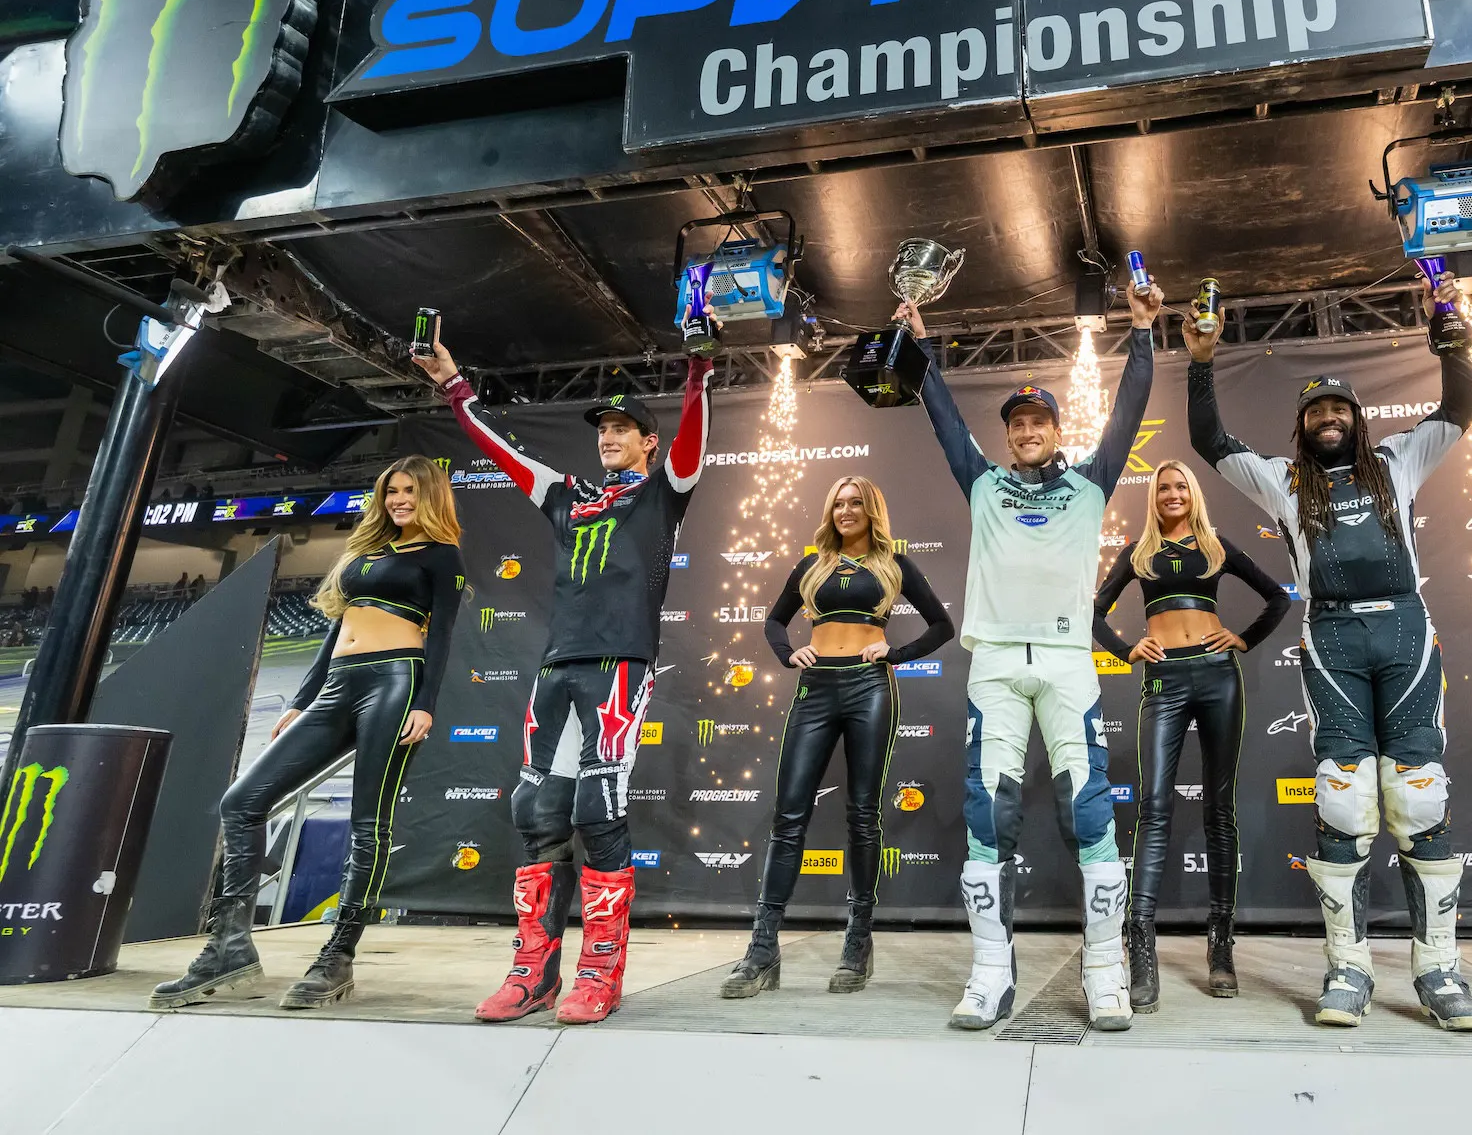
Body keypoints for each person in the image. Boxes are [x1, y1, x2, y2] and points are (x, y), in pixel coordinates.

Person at [1185, 275, 1472, 1032]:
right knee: (1345, 796)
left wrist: (1447, 331)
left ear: (1355, 417)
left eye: (1338, 408)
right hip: (1332, 635)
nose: (1327, 417)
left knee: (1419, 795)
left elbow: (1459, 408)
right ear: (1303, 423)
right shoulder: (1285, 482)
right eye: (1315, 409)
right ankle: (1348, 968)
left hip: (1406, 631)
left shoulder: (1397, 461)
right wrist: (1199, 361)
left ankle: (1438, 970)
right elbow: (1210, 443)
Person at [414, 337, 713, 1025]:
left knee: (598, 811)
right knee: (536, 814)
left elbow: (693, 442)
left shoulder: (665, 492)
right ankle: (532, 975)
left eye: (620, 428)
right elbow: (503, 452)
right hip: (557, 666)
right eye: (601, 429)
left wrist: (697, 374)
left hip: (619, 665)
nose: (607, 437)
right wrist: (456, 385)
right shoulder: (567, 495)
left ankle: (600, 975)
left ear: (647, 440)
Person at [898, 280, 1163, 1032]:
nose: (1025, 430)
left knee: (1090, 814)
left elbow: (1128, 414)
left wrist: (1141, 334)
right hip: (996, 669)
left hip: (1067, 663)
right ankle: (990, 973)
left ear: (1054, 427)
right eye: (1016, 422)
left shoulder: (1090, 485)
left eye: (1037, 420)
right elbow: (945, 419)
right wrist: (919, 344)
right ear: (1008, 433)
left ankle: (1105, 971)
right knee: (989, 815)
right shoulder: (982, 484)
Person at [151, 457, 465, 1011]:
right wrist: (302, 699)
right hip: (337, 685)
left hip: (396, 683)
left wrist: (426, 703)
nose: (398, 500)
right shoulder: (363, 551)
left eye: (410, 491)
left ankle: (337, 957)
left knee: (370, 824)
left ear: (431, 496)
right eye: (391, 490)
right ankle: (230, 946)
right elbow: (337, 627)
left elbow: (440, 638)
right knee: (242, 802)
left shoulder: (442, 557)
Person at [722, 476, 955, 998]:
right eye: (839, 504)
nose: (846, 511)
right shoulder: (811, 565)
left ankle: (858, 939)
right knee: (788, 815)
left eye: (856, 504)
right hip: (815, 688)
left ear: (873, 510)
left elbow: (942, 625)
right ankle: (763, 948)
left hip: (870, 687)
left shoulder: (893, 564)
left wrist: (895, 654)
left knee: (863, 813)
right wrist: (787, 654)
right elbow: (775, 622)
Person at [1092, 460, 1289, 1010]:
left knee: (1219, 810)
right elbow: (1094, 613)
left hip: (1218, 677)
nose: (1172, 494)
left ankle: (1220, 946)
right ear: (1152, 497)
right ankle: (1142, 946)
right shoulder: (1138, 551)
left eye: (1180, 486)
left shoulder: (1217, 545)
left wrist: (1243, 640)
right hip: (1163, 679)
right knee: (1155, 808)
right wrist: (1125, 649)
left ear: (1192, 494)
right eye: (1163, 488)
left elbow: (1278, 598)